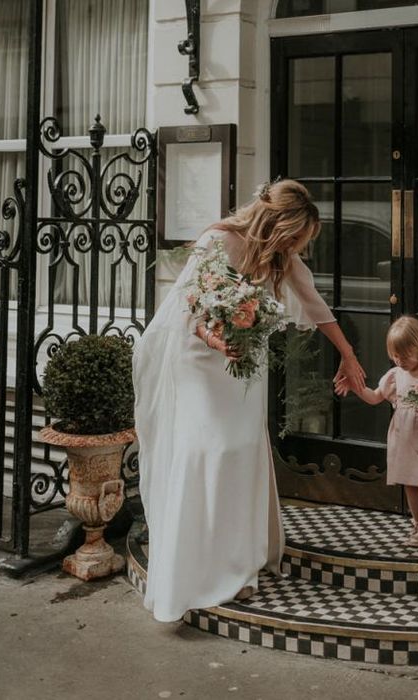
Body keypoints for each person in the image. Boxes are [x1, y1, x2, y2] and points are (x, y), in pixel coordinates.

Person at [133, 179, 366, 622]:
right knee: (211, 449)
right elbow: (187, 309)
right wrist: (217, 341)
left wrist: (348, 353)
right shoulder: (217, 240)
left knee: (241, 450)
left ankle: (238, 563)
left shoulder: (282, 259)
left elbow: (315, 305)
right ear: (277, 224)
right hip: (200, 358)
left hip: (245, 362)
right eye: (296, 237)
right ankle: (197, 564)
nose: (299, 247)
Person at [340, 316, 418, 558]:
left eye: (405, 355)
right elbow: (375, 397)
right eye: (395, 355)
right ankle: (417, 526)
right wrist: (355, 387)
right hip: (405, 436)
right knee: (411, 485)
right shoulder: (395, 375)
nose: (400, 360)